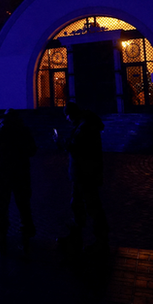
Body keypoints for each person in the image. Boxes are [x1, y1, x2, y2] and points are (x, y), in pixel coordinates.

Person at [56, 102, 109, 254]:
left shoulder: (85, 127)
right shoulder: (85, 124)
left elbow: (77, 147)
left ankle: (100, 239)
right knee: (79, 203)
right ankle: (78, 235)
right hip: (83, 172)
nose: (66, 119)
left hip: (85, 173)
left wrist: (62, 143)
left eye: (67, 116)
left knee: (91, 205)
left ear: (72, 114)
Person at [0, 109, 37, 255]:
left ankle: (2, 242)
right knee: (24, 207)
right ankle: (26, 242)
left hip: (2, 172)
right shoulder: (23, 128)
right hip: (21, 172)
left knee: (1, 207)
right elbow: (32, 150)